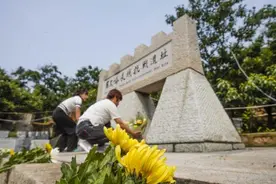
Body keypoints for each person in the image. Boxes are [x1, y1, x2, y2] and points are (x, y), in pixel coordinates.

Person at [76, 89, 141, 152]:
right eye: (118, 101)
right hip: (86, 127)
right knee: (113, 134)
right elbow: (120, 124)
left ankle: (98, 147)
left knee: (109, 130)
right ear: (115, 97)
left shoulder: (102, 104)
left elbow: (108, 127)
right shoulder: (110, 104)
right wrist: (133, 133)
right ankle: (84, 141)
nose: (118, 104)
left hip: (81, 128)